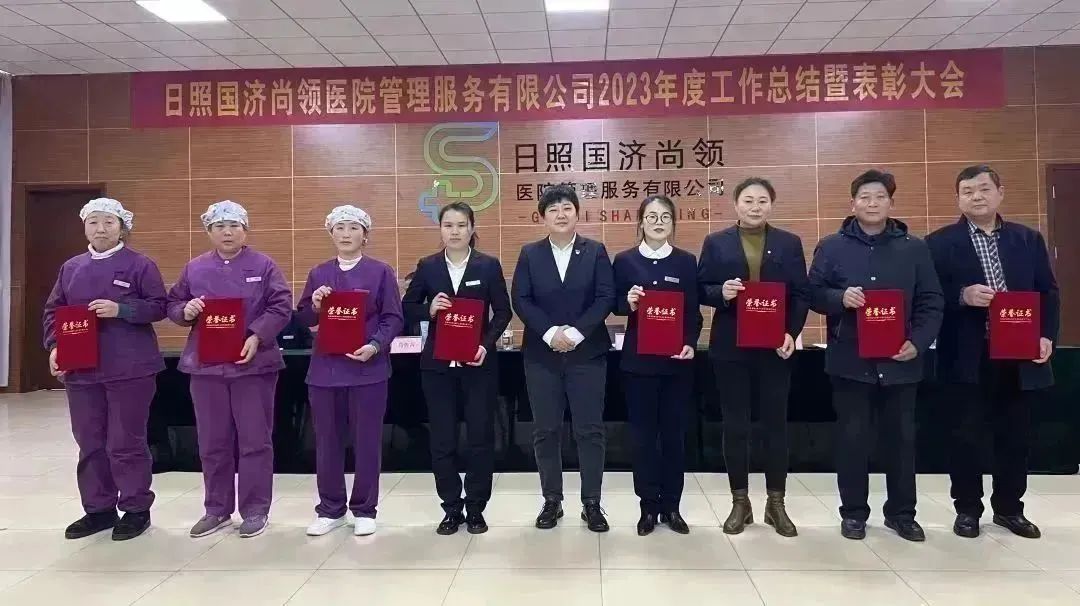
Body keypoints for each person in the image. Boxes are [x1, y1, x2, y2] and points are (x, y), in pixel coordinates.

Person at [808, 170, 943, 542]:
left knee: (901, 441)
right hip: (850, 362)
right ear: (852, 203)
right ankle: (853, 513)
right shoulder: (831, 246)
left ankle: (901, 514)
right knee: (852, 441)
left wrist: (919, 341)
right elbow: (812, 293)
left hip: (901, 362)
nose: (872, 203)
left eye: (880, 196)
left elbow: (932, 300)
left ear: (891, 203)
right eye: (865, 197)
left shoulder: (914, 248)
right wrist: (840, 298)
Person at [927, 165, 1059, 540]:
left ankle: (1009, 509)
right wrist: (961, 295)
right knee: (965, 436)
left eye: (984, 189)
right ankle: (967, 510)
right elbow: (927, 297)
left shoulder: (1027, 239)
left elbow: (1048, 293)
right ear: (958, 199)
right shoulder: (938, 243)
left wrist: (1046, 336)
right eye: (968, 191)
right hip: (966, 355)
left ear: (1000, 193)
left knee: (1015, 436)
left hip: (1019, 354)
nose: (977, 196)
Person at [42, 198, 166, 542]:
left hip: (130, 368)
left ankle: (136, 508)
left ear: (122, 227)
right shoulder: (71, 268)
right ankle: (99, 509)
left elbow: (159, 306)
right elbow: (54, 311)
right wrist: (55, 346)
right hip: (82, 370)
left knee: (126, 441)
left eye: (109, 222)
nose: (101, 229)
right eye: (94, 222)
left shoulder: (140, 265)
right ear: (84, 227)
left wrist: (121, 310)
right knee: (90, 441)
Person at [167, 201, 292, 539]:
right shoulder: (195, 268)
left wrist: (257, 335)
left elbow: (281, 305)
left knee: (255, 441)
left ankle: (255, 509)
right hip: (206, 369)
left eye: (234, 225)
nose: (227, 232)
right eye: (220, 226)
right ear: (209, 231)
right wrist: (185, 311)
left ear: (245, 230)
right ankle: (217, 509)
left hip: (253, 367)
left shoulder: (264, 265)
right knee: (212, 442)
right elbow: (173, 304)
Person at [697, 178, 809, 537]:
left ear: (771, 204)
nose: (755, 206)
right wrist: (722, 292)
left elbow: (801, 294)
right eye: (748, 200)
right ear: (736, 204)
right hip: (731, 347)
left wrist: (791, 332)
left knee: (775, 426)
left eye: (762, 200)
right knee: (736, 426)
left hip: (775, 346)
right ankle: (740, 502)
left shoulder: (789, 243)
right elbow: (700, 289)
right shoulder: (716, 242)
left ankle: (776, 503)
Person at [402, 202, 512, 536]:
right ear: (440, 229)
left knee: (480, 438)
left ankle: (476, 508)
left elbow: (503, 312)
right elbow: (406, 307)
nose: (454, 231)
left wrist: (486, 344)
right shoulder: (428, 266)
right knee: (443, 440)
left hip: (478, 365)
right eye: (448, 225)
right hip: (437, 368)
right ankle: (451, 508)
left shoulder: (488, 266)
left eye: (461, 225)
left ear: (472, 228)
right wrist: (428, 309)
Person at [511, 183, 615, 532]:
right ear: (542, 217)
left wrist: (575, 333)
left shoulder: (595, 251)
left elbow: (605, 297)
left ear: (577, 213)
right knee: (545, 430)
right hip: (541, 355)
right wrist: (550, 333)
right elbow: (521, 299)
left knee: (590, 430)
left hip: (588, 354)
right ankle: (551, 501)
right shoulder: (530, 253)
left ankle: (592, 503)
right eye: (553, 209)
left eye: (566, 207)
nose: (560, 214)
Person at [296, 205, 404, 538]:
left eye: (353, 228)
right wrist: (315, 306)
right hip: (325, 372)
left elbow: (393, 317)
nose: (346, 234)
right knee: (327, 442)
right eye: (340, 228)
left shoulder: (380, 272)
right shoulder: (318, 273)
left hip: (368, 371)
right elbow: (304, 318)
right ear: (331, 233)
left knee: (367, 442)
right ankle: (330, 509)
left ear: (365, 235)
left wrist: (375, 345)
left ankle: (365, 509)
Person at [612, 195, 701, 536]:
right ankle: (648, 507)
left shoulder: (685, 262)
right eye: (651, 216)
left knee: (674, 438)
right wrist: (629, 303)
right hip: (638, 366)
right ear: (641, 222)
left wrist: (690, 342)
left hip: (676, 365)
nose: (658, 222)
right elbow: (615, 305)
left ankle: (672, 507)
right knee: (643, 439)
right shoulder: (625, 261)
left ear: (673, 223)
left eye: (665, 216)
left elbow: (693, 313)